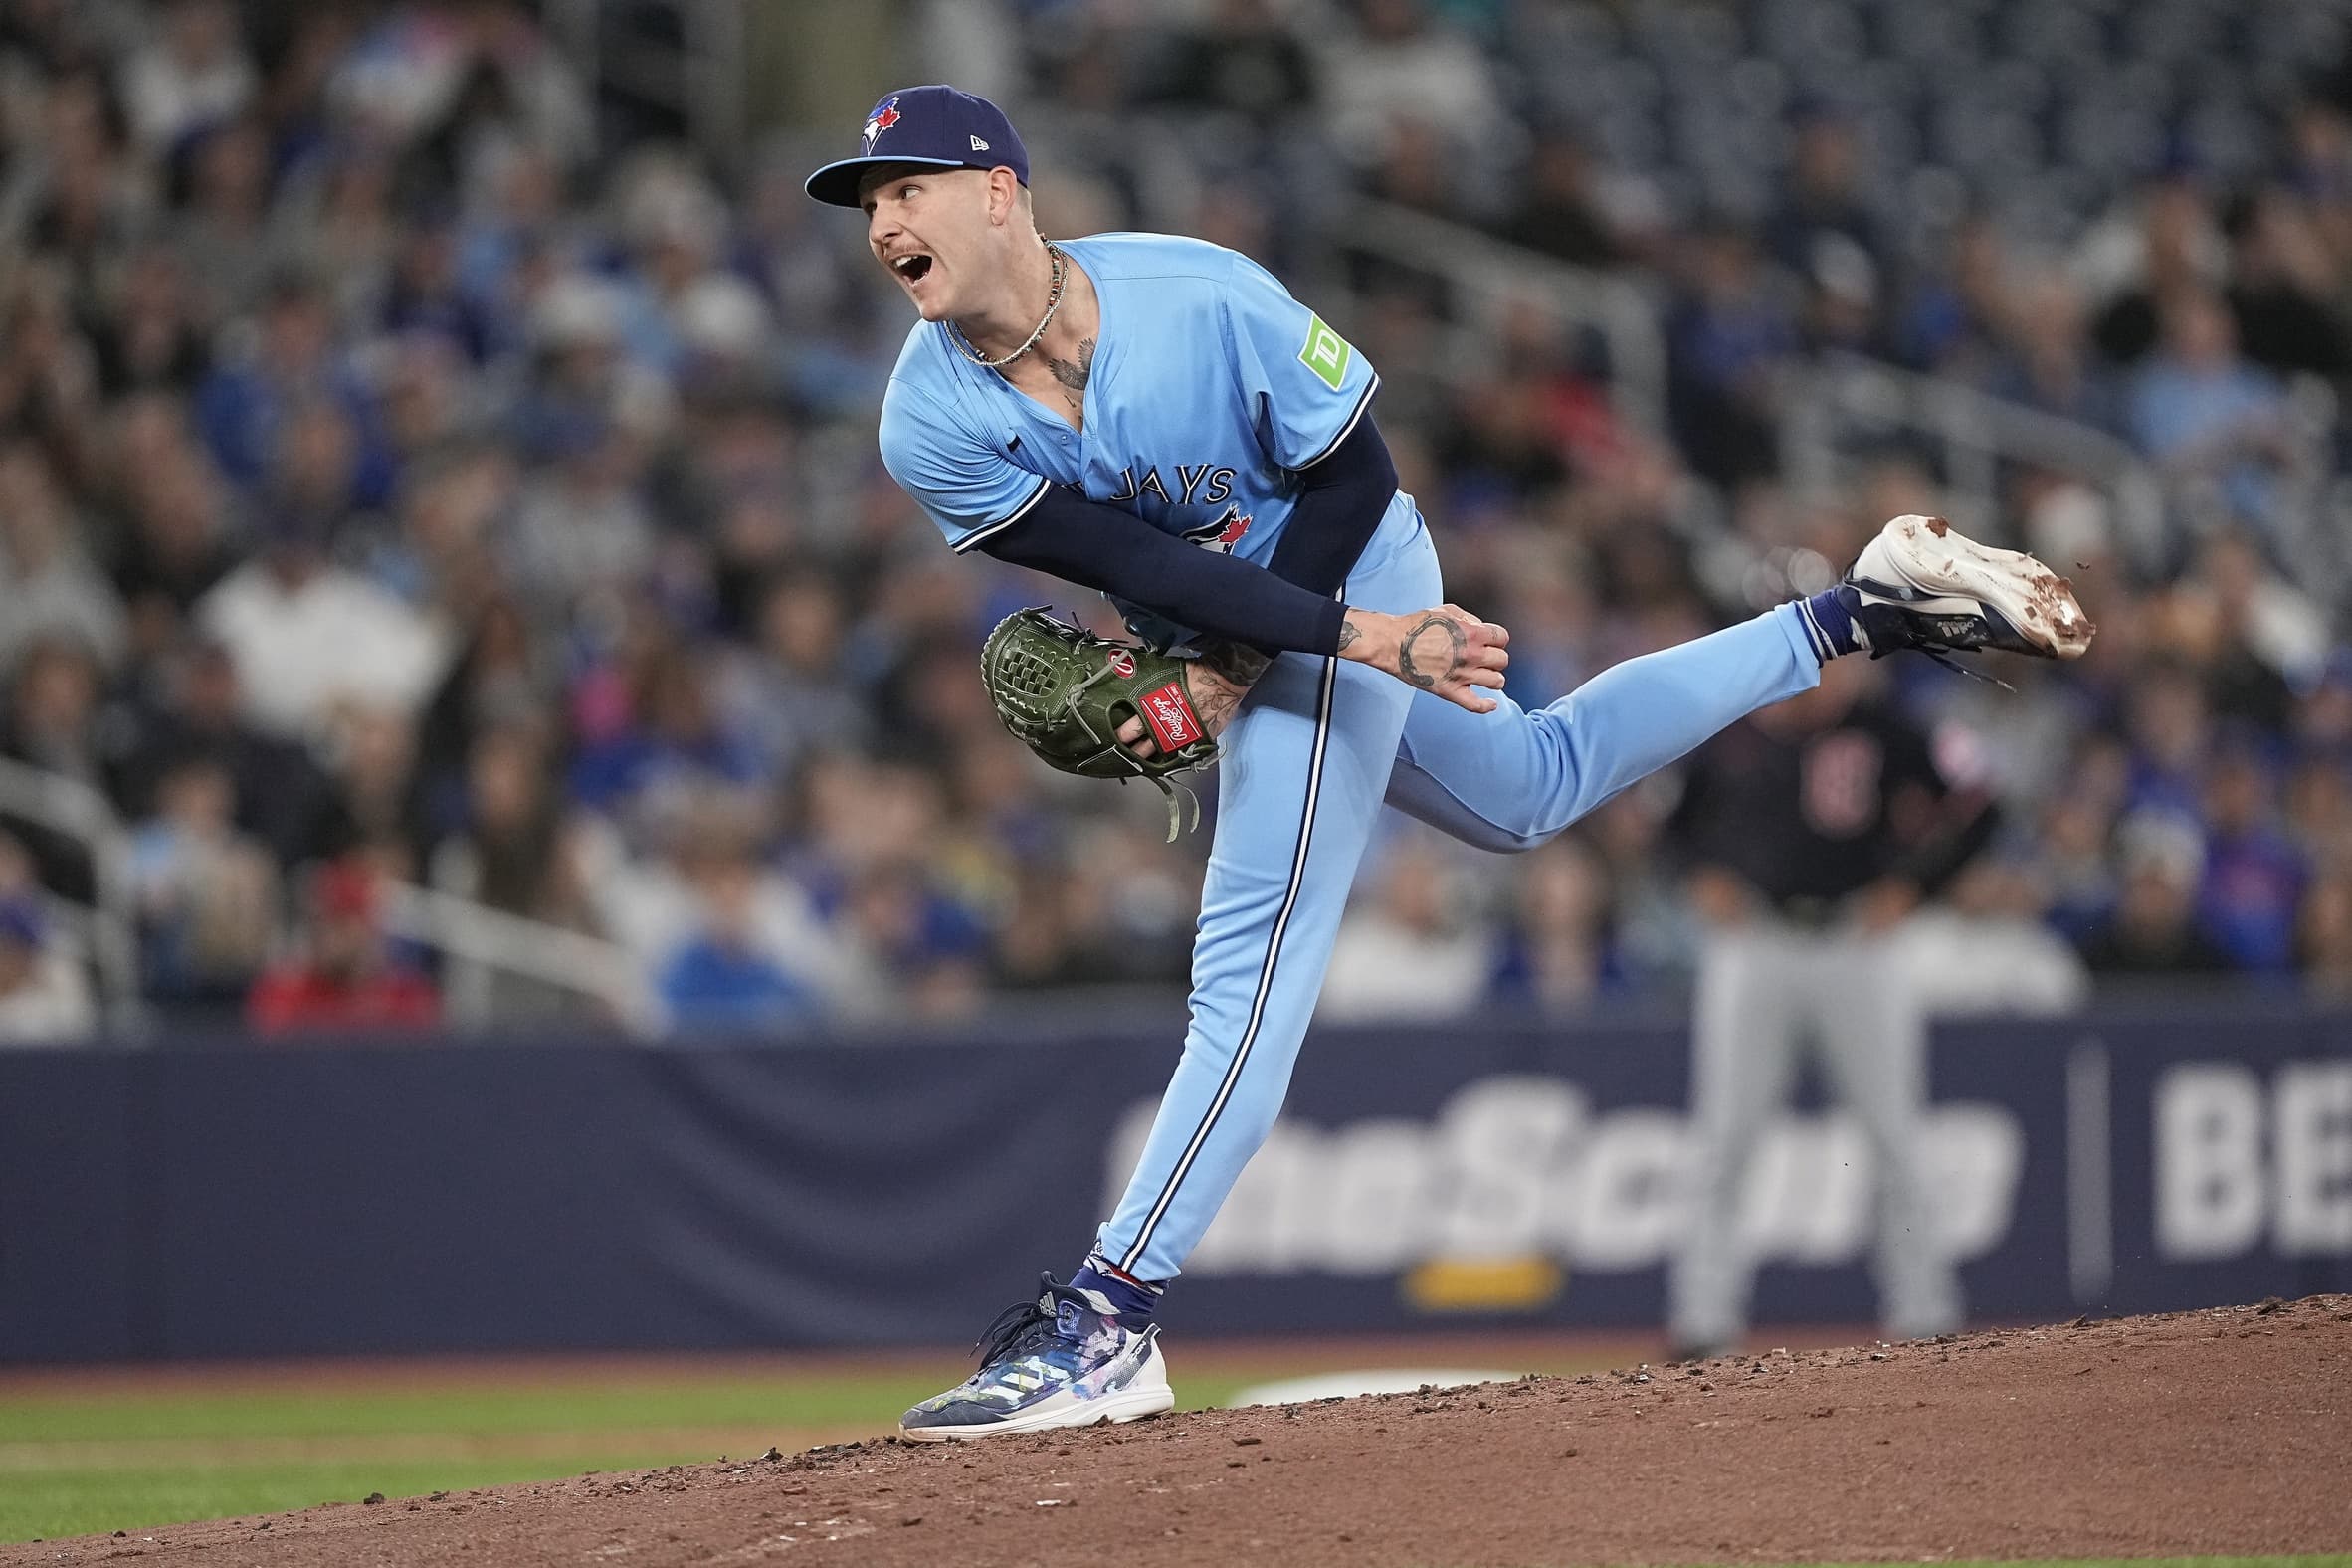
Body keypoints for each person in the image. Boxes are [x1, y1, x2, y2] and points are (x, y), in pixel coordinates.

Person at [802, 85, 2093, 1440]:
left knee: (1249, 976)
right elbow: (1128, 565)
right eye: (869, 203)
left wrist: (1333, 645)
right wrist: (1263, 656)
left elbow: (1354, 478)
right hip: (1279, 626)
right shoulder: (927, 421)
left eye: (908, 188)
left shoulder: (1199, 294)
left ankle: (1111, 1316)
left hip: (1349, 569)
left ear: (1000, 190)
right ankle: (1854, 612)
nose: (883, 220)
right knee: (1531, 786)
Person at [1663, 657, 1996, 1360]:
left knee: (1894, 1133)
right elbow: (1672, 825)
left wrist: (1915, 886)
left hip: (1856, 941)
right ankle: (1703, 1323)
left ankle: (1925, 1314)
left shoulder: (1888, 727)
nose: (1815, 679)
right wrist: (1701, 878)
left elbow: (1980, 798)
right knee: (1724, 1136)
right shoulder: (1732, 724)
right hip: (1756, 939)